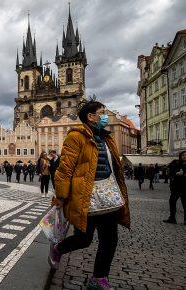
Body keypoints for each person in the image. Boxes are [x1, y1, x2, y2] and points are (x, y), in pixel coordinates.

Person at [49, 100, 130, 289]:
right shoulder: (76, 137)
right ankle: (59, 248)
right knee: (84, 239)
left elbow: (113, 166)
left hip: (108, 196)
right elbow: (65, 168)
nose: (105, 116)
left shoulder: (106, 137)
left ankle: (99, 278)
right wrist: (60, 197)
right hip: (85, 196)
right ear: (90, 116)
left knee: (110, 240)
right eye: (101, 112)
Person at [163, 151, 186, 225]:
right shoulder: (177, 164)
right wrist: (176, 173)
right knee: (172, 201)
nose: (184, 156)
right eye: (183, 155)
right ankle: (172, 218)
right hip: (177, 186)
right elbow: (171, 173)